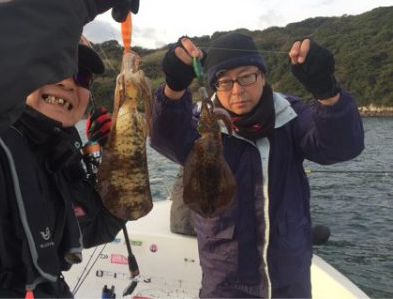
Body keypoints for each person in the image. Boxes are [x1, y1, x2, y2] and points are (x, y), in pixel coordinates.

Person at [0, 0, 141, 297]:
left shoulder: (59, 160)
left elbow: (100, 221)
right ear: (20, 71)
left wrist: (118, 157)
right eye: (53, 63)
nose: (67, 80)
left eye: (81, 75)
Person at [150, 32, 364, 298]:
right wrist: (173, 89)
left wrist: (327, 92)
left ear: (263, 76)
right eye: (225, 81)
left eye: (247, 76)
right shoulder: (202, 123)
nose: (237, 90)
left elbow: (342, 146)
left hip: (290, 278)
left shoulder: (291, 115)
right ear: (214, 86)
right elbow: (165, 138)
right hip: (224, 280)